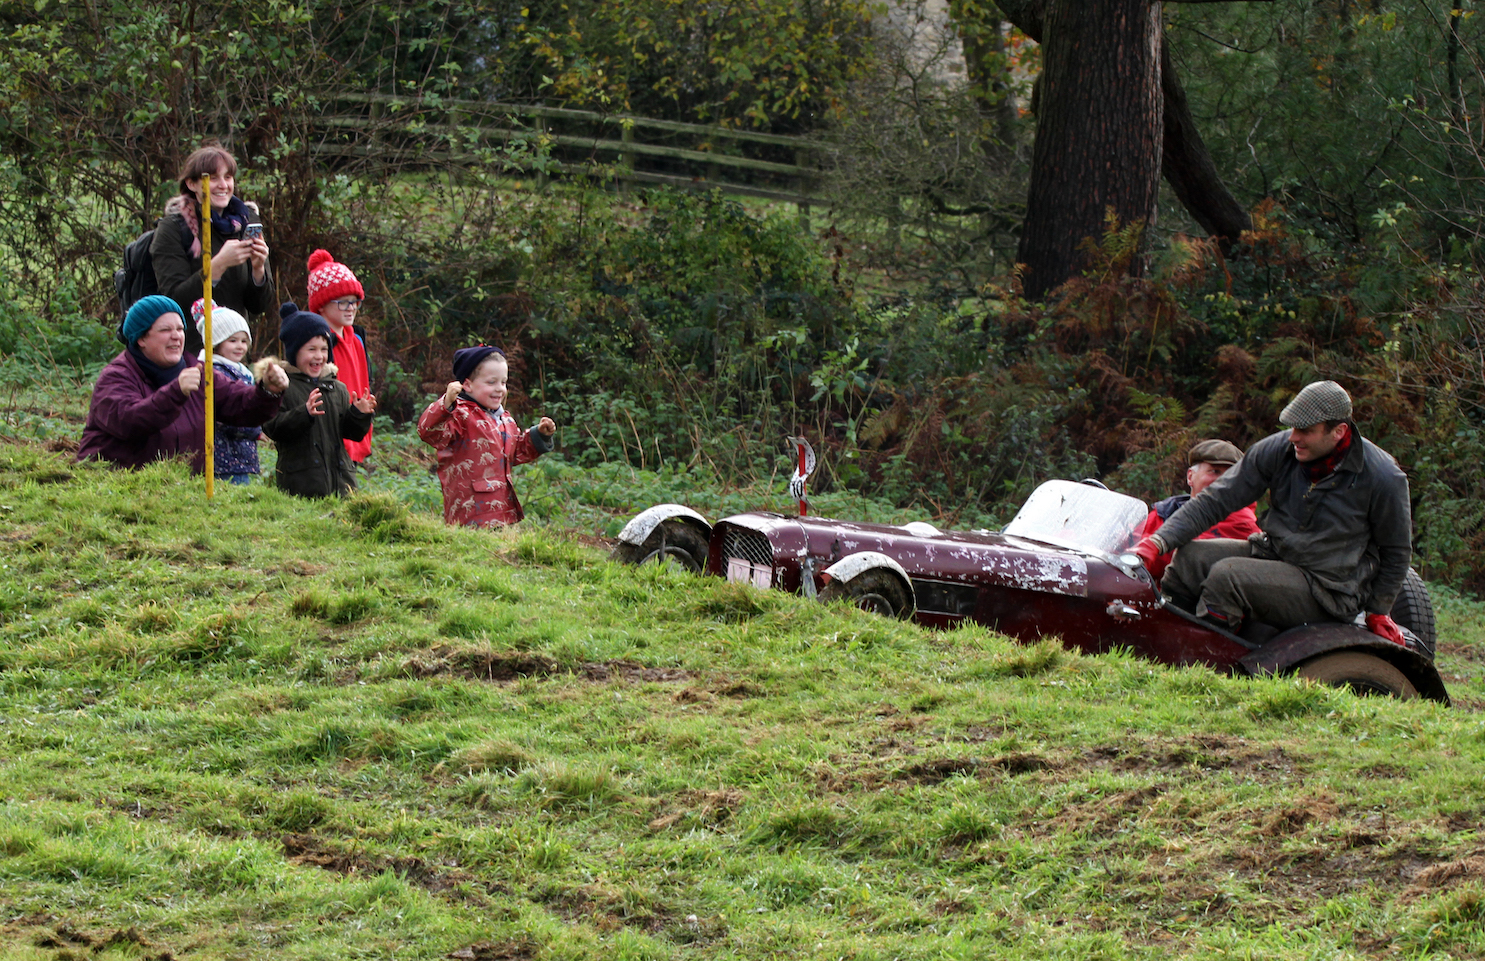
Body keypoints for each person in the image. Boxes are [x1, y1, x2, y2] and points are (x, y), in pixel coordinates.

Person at [1133, 381, 1411, 644]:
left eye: (1305, 431)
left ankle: (1205, 659)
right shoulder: (1280, 450)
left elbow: (1396, 551)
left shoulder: (1383, 477)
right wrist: (1158, 541)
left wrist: (1378, 611)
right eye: (1293, 427)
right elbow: (1216, 500)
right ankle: (1166, 639)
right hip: (1275, 554)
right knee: (1190, 557)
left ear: (1338, 431)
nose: (1294, 437)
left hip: (1330, 589)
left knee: (1227, 577)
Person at [78, 295, 287, 472]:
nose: (176, 336)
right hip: (117, 489)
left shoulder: (197, 370)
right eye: (165, 330)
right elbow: (129, 422)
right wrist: (175, 392)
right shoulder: (116, 377)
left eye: (180, 329)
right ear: (141, 338)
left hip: (182, 493)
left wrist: (268, 391)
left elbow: (238, 402)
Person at [152, 144, 273, 356]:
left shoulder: (246, 221)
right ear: (192, 184)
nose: (223, 185)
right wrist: (217, 266)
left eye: (228, 177)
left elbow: (258, 307)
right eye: (213, 178)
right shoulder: (174, 228)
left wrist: (258, 270)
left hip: (235, 357)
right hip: (192, 355)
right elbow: (173, 301)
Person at [418, 345, 556, 528]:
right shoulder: (458, 415)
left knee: (500, 546)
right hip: (469, 515)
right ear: (467, 385)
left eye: (503, 382)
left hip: (503, 512)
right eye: (491, 382)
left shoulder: (505, 419)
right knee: (472, 546)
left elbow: (516, 452)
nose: (500, 389)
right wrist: (444, 404)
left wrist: (539, 435)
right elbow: (428, 431)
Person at [257, 304, 376, 498]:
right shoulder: (282, 387)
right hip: (301, 487)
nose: (319, 356)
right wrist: (304, 414)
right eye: (311, 349)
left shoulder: (337, 387)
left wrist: (359, 414)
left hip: (341, 486)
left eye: (324, 349)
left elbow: (351, 433)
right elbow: (273, 428)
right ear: (294, 351)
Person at [1135, 439, 1261, 581]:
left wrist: (1153, 548)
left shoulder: (1243, 521)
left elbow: (1193, 558)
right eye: (1215, 471)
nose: (1223, 481)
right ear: (1190, 476)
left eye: (1231, 475)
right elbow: (1128, 546)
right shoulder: (1164, 512)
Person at [305, 249, 375, 466]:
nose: (351, 308)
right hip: (328, 433)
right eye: (343, 302)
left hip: (355, 425)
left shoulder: (357, 339)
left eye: (355, 301)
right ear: (321, 304)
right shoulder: (316, 343)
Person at [192, 300, 264, 485]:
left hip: (239, 457)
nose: (240, 346)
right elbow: (228, 415)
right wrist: (255, 430)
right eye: (232, 341)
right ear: (215, 343)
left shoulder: (241, 371)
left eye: (244, 341)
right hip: (223, 460)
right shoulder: (215, 373)